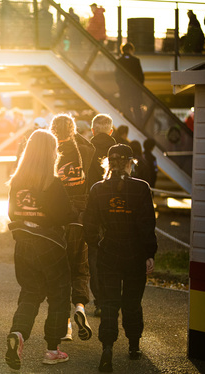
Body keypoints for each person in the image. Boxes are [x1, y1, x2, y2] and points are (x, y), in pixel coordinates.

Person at [4, 129, 74, 370]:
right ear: (50, 152)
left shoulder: (16, 181)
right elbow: (63, 215)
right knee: (59, 294)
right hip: (50, 246)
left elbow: (12, 213)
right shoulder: (52, 183)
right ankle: (52, 350)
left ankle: (18, 334)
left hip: (23, 244)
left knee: (30, 292)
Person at [83, 144, 157, 372]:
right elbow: (147, 225)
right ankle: (134, 347)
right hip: (135, 254)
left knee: (109, 304)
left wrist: (98, 244)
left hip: (108, 253)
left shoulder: (98, 189)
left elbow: (89, 226)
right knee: (132, 302)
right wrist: (149, 253)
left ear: (108, 163)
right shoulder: (141, 188)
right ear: (130, 162)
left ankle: (107, 349)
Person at [49, 114, 95, 343]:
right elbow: (89, 144)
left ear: (53, 130)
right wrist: (71, 132)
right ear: (73, 130)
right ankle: (79, 307)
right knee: (80, 268)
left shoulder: (51, 153)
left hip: (58, 221)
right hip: (80, 218)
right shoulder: (84, 152)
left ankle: (65, 327)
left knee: (59, 273)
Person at [86, 114, 116, 317]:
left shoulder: (86, 151)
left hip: (92, 211)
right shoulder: (121, 152)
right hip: (117, 211)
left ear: (93, 130)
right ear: (111, 131)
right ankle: (114, 297)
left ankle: (100, 300)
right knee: (116, 254)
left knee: (94, 256)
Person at [116, 43, 145, 126]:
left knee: (125, 107)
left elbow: (117, 77)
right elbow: (141, 77)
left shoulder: (119, 61)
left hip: (124, 90)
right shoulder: (136, 61)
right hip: (135, 90)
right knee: (137, 107)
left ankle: (128, 122)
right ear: (130, 50)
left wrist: (121, 85)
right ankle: (139, 125)